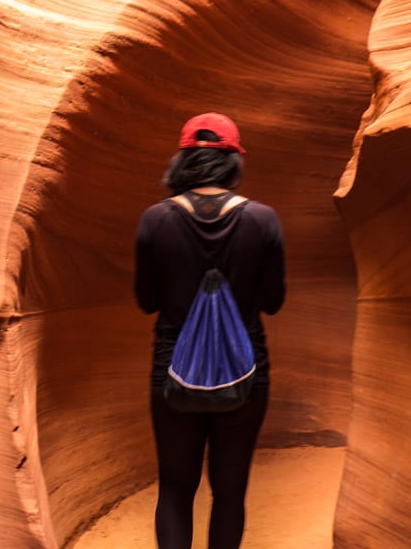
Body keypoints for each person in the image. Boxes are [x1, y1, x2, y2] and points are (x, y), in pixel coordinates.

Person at [134, 112, 286, 549]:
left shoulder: (154, 221)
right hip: (245, 373)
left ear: (184, 160)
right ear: (233, 161)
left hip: (172, 373)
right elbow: (273, 303)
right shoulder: (263, 221)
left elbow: (147, 302)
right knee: (230, 491)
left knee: (176, 490)